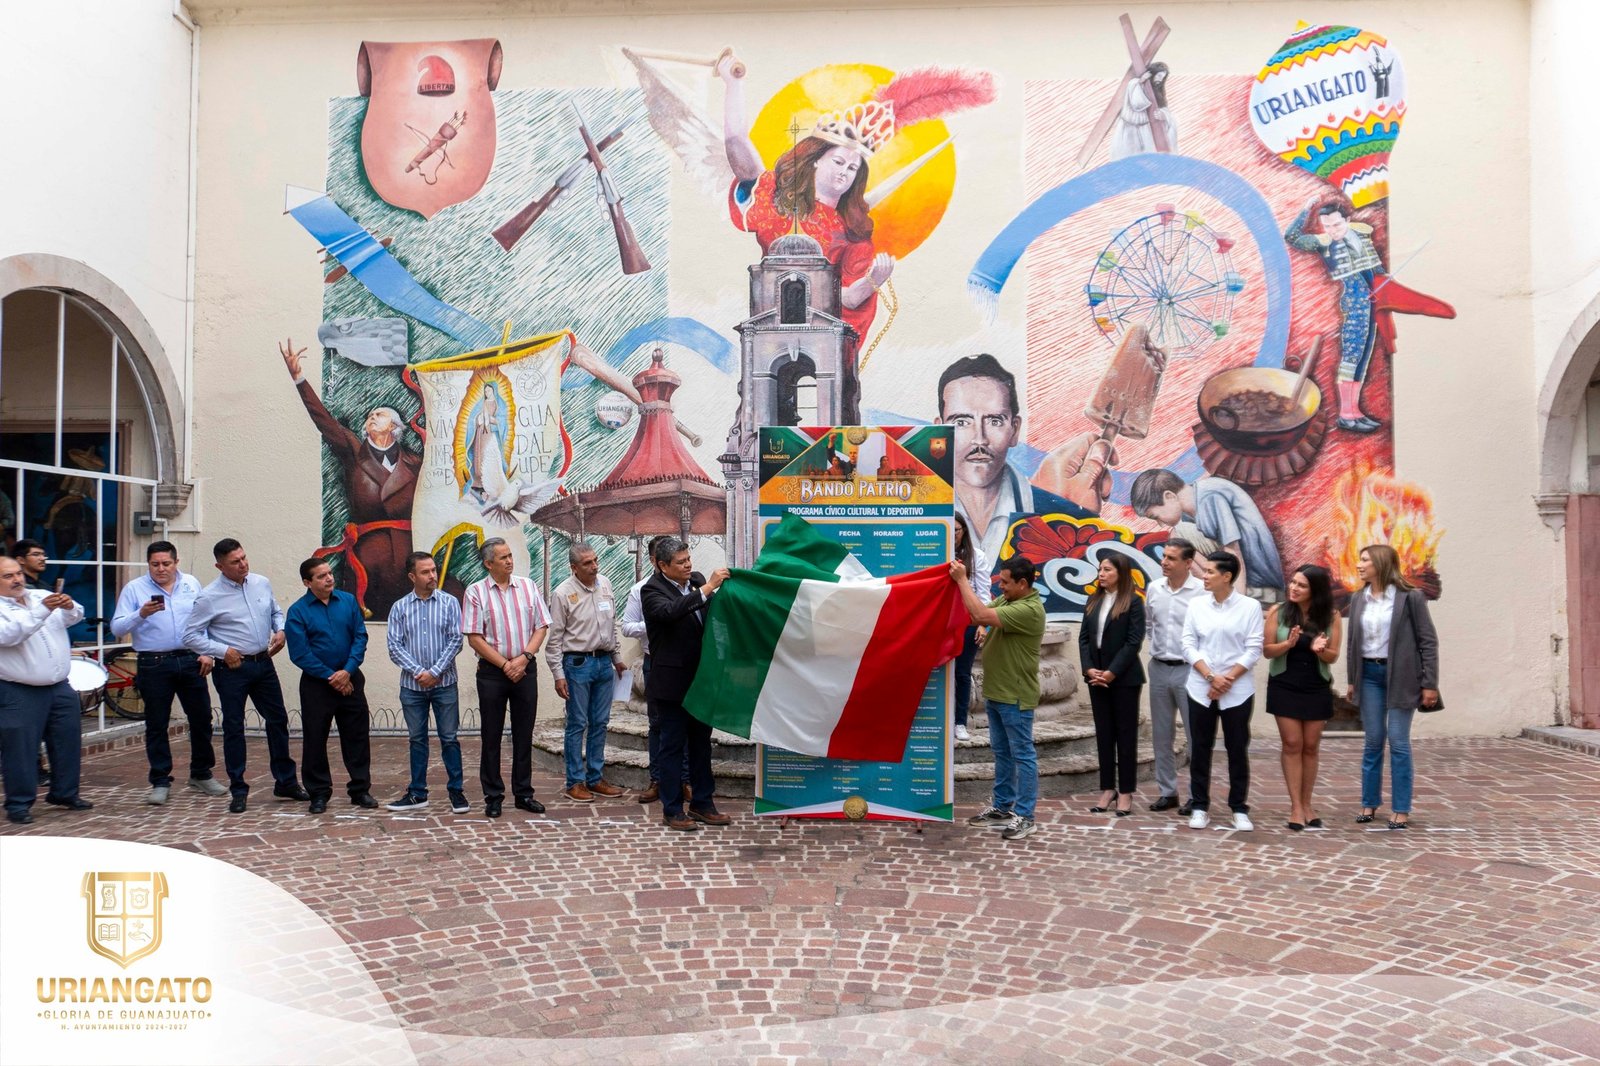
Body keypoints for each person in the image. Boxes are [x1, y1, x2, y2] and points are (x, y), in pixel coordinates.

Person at [720, 58, 893, 424]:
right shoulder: (774, 202)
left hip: (821, 334)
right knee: (764, 403)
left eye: (853, 169)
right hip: (770, 330)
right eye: (839, 162)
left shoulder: (854, 235)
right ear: (816, 160)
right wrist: (732, 82)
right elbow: (735, 142)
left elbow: (847, 300)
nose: (845, 172)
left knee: (834, 400)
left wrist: (873, 281)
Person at [280, 339, 421, 618]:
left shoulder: (415, 462)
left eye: (379, 414)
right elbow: (324, 420)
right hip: (367, 555)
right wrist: (299, 379)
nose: (372, 417)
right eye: (370, 415)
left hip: (408, 553)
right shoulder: (355, 453)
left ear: (394, 427)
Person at [936, 355, 1095, 572]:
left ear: (1015, 430)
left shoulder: (1060, 517)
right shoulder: (915, 514)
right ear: (939, 431)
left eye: (994, 421)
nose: (980, 439)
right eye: (962, 422)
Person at [182, 538, 305, 814]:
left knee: (278, 720)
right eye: (235, 562)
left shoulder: (261, 582)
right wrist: (222, 651)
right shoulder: (209, 596)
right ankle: (238, 788)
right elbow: (190, 636)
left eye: (244, 558)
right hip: (232, 670)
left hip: (263, 663)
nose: (243, 564)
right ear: (220, 566)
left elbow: (275, 611)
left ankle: (285, 782)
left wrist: (280, 629)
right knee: (234, 727)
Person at [110, 540, 226, 805]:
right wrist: (140, 614)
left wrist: (207, 651)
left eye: (166, 563)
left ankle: (201, 773)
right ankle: (160, 780)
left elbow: (204, 620)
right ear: (148, 564)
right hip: (154, 662)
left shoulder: (191, 584)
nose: (160, 569)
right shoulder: (135, 589)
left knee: (201, 718)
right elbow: (117, 628)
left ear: (176, 562)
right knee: (157, 723)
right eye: (155, 564)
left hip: (190, 659)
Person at [1345, 544, 1440, 830]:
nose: (1359, 565)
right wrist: (1352, 679)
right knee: (1373, 741)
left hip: (1401, 676)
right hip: (1368, 675)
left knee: (1398, 742)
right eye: (1360, 560)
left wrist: (1430, 683)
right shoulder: (1358, 598)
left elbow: (1428, 642)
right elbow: (1353, 643)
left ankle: (1401, 808)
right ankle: (1369, 803)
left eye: (1365, 560)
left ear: (1381, 563)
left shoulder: (1411, 597)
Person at [953, 554, 1047, 841]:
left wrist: (962, 580)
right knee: (1003, 753)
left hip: (1015, 695)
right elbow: (977, 615)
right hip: (997, 692)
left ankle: (1026, 816)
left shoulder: (1029, 609)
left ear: (1022, 583)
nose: (1000, 586)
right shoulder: (1008, 601)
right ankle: (1003, 807)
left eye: (1005, 582)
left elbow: (981, 615)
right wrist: (982, 621)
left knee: (1022, 755)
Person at [641, 538, 730, 831]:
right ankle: (672, 809)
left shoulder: (697, 582)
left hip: (701, 681)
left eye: (688, 559)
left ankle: (703, 803)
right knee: (672, 748)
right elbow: (670, 612)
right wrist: (708, 589)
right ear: (662, 565)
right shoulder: (652, 590)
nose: (688, 565)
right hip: (672, 685)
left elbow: (714, 613)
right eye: (681, 562)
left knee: (701, 746)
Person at [462, 537, 550, 819]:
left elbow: (541, 626)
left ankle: (524, 793)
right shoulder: (476, 592)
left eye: (510, 555)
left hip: (525, 668)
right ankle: (493, 796)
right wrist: (505, 665)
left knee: (524, 733)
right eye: (503, 557)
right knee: (491, 735)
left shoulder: (528, 586)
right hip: (492, 673)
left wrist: (524, 658)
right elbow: (474, 637)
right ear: (489, 564)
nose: (510, 561)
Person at [0, 555, 92, 824]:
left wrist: (69, 606)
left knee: (67, 741)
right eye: (8, 576)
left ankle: (65, 793)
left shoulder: (40, 595)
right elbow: (11, 635)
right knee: (21, 749)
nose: (17, 579)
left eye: (18, 573)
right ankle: (19, 804)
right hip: (19, 689)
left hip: (60, 686)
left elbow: (76, 616)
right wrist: (42, 611)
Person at [1180, 551, 1263, 831]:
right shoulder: (1196, 605)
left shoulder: (1249, 607)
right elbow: (1188, 644)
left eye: (1210, 571)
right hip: (1200, 687)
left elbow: (1253, 648)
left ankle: (1239, 807)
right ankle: (1199, 806)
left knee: (1237, 748)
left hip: (1237, 689)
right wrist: (1210, 676)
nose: (1203, 576)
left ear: (1227, 576)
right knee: (1200, 748)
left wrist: (1227, 679)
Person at [285, 558, 375, 814]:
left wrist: (347, 672)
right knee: (315, 738)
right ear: (307, 582)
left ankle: (360, 790)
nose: (329, 578)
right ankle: (319, 793)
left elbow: (360, 637)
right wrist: (332, 677)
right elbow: (300, 653)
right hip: (317, 685)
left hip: (351, 679)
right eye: (321, 576)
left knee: (357, 736)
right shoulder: (298, 611)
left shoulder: (348, 601)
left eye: (330, 573)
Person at [384, 551, 467, 814]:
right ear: (412, 576)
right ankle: (417, 793)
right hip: (412, 687)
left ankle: (456, 792)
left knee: (449, 738)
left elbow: (456, 640)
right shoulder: (399, 608)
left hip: (445, 684)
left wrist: (436, 671)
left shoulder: (450, 603)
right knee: (417, 739)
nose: (432, 575)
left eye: (433, 570)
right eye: (425, 572)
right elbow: (394, 646)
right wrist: (420, 672)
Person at [547, 541, 626, 803]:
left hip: (604, 663)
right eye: (587, 563)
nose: (594, 566)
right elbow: (555, 639)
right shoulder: (562, 593)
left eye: (595, 560)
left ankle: (595, 778)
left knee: (600, 722)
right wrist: (558, 675)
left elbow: (611, 624)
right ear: (574, 567)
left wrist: (617, 658)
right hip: (577, 664)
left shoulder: (605, 584)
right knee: (577, 723)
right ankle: (575, 782)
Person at [1264, 564, 1341, 830]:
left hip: (1316, 685)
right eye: (1293, 582)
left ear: (1315, 590)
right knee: (1292, 743)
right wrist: (1287, 644)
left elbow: (1333, 656)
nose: (1294, 588)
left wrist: (1320, 650)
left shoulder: (1331, 616)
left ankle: (1307, 804)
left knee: (1310, 746)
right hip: (1284, 684)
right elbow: (1267, 651)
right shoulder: (1279, 611)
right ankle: (1295, 806)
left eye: (1301, 585)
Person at [1129, 469, 1286, 601]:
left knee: (1178, 541)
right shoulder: (1191, 509)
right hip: (1239, 579)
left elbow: (1233, 552)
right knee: (1176, 540)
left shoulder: (1210, 497)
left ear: (1169, 496)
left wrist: (1236, 603)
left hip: (1259, 583)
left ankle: (1226, 597)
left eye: (1155, 516)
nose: (1160, 523)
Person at [1079, 554, 1147, 816]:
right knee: (1104, 734)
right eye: (1100, 569)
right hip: (1096, 677)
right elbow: (1084, 639)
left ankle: (1126, 791)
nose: (1101, 574)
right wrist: (1089, 669)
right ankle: (1108, 788)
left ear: (1121, 573)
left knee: (1125, 735)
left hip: (1124, 679)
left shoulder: (1133, 601)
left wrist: (1111, 673)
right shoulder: (1093, 600)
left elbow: (1133, 642)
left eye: (1107, 569)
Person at [623, 535, 686, 805]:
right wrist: (657, 622)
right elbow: (627, 626)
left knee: (686, 723)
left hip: (685, 662)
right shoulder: (641, 590)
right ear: (656, 562)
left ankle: (685, 781)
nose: (686, 564)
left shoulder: (690, 586)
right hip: (656, 662)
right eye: (678, 560)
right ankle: (657, 779)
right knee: (658, 723)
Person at [1146, 537, 1204, 813]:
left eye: (1171, 558)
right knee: (1161, 734)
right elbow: (1150, 625)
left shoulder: (1201, 593)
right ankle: (1167, 792)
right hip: (1159, 667)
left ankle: (1196, 795)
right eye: (1164, 557)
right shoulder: (1154, 588)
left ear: (1188, 563)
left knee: (1195, 735)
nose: (1164, 562)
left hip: (1190, 670)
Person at [950, 514, 989, 743]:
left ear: (964, 530)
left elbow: (983, 593)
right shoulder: (936, 552)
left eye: (956, 530)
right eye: (948, 529)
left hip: (967, 622)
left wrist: (982, 624)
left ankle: (960, 722)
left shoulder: (977, 557)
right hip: (940, 622)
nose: (952, 534)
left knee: (962, 673)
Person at [1109, 62, 1176, 160]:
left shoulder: (1158, 90)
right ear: (1152, 73)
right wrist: (1141, 82)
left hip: (1146, 130)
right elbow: (1137, 104)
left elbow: (1164, 109)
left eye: (1163, 77)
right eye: (1159, 76)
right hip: (1129, 128)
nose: (1160, 80)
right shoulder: (1135, 84)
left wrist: (1163, 115)